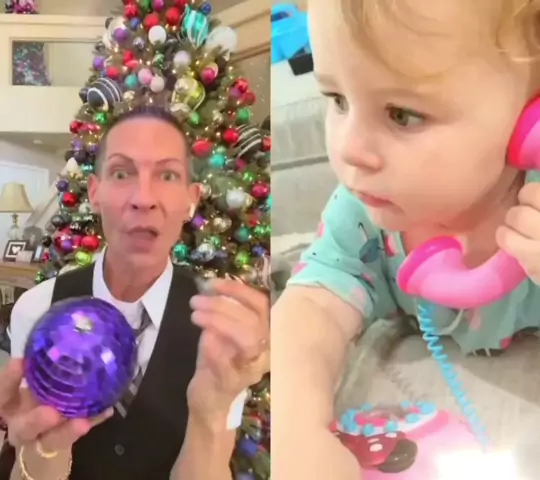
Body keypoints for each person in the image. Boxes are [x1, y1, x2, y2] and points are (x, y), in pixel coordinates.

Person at [272, 0, 540, 477]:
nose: (349, 149)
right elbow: (311, 308)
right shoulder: (363, 214)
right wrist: (296, 432)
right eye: (337, 99)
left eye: (402, 114)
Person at [0, 106, 269, 480]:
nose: (144, 198)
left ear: (190, 200)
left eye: (167, 175)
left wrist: (211, 413)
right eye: (121, 173)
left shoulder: (219, 330)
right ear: (94, 193)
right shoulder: (38, 310)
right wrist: (45, 446)